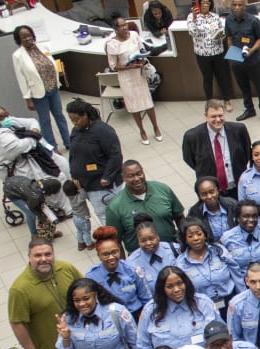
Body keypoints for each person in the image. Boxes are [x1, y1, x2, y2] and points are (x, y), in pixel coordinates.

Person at [135, 266, 221, 349]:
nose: (176, 289)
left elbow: (221, 336)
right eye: (170, 286)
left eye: (179, 283)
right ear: (162, 289)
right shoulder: (150, 311)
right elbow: (143, 347)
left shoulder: (204, 304)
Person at [105, 14, 163, 145]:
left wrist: (142, 60)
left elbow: (142, 49)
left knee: (148, 103)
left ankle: (155, 127)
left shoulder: (134, 35)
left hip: (139, 74)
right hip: (127, 77)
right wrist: (128, 66)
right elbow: (113, 65)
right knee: (134, 105)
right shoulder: (111, 44)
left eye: (126, 24)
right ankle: (142, 130)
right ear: (115, 28)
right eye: (122, 26)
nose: (125, 28)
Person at [106, 160, 185, 253]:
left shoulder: (163, 189)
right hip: (140, 260)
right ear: (123, 178)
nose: (136, 179)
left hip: (172, 251)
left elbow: (180, 218)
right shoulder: (115, 206)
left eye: (139, 174)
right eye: (131, 176)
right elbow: (115, 241)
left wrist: (185, 244)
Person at [65, 98, 123, 224]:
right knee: (101, 214)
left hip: (102, 186)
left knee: (108, 216)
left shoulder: (103, 130)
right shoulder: (76, 131)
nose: (75, 123)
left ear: (85, 115)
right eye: (72, 120)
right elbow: (73, 155)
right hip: (87, 185)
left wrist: (107, 177)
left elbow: (116, 155)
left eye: (77, 119)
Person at [12, 25, 69, 150]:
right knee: (45, 121)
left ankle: (68, 142)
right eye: (24, 37)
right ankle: (52, 147)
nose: (27, 39)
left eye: (29, 35)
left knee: (59, 115)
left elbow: (52, 64)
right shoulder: (18, 56)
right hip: (38, 93)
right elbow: (21, 79)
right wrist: (28, 98)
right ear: (19, 40)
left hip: (53, 88)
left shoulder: (43, 47)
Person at [175, 217, 244, 317]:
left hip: (229, 303)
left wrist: (243, 299)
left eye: (199, 234)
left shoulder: (218, 251)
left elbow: (236, 274)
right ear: (185, 239)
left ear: (205, 234)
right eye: (190, 236)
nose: (196, 238)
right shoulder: (181, 263)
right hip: (202, 309)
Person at [182, 100, 251, 199]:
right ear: (206, 116)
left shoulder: (239, 130)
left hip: (238, 187)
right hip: (212, 192)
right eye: (213, 116)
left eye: (220, 115)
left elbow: (246, 152)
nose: (218, 120)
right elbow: (189, 159)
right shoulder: (192, 137)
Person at [87, 226, 151, 318]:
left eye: (114, 252)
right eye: (105, 254)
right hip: (110, 318)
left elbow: (146, 299)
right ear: (98, 255)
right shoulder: (91, 276)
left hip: (137, 315)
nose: (111, 257)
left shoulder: (133, 270)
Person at [225, 0, 260, 124]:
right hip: (237, 61)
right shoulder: (229, 20)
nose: (237, 7)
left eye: (240, 5)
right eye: (234, 5)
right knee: (244, 87)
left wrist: (251, 50)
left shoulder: (253, 20)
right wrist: (232, 53)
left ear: (245, 6)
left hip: (253, 60)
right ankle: (249, 109)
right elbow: (229, 38)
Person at [187, 0, 234, 110]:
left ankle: (227, 101)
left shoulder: (215, 16)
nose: (205, 5)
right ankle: (210, 104)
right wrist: (194, 19)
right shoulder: (192, 17)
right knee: (207, 79)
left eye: (207, 2)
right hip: (202, 54)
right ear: (198, 4)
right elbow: (192, 33)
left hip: (217, 52)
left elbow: (222, 32)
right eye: (203, 2)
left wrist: (220, 35)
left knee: (222, 77)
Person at [125, 214, 180, 294]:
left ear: (158, 236)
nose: (148, 243)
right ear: (138, 241)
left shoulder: (173, 249)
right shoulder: (132, 263)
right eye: (143, 241)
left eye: (151, 238)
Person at [220, 200, 260, 274]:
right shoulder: (227, 238)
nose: (251, 220)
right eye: (246, 216)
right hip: (241, 282)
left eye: (254, 216)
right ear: (237, 218)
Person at [186, 177, 238, 241]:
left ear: (218, 190)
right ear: (199, 196)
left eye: (212, 192)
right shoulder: (194, 213)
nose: (209, 196)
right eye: (204, 194)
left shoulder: (232, 204)